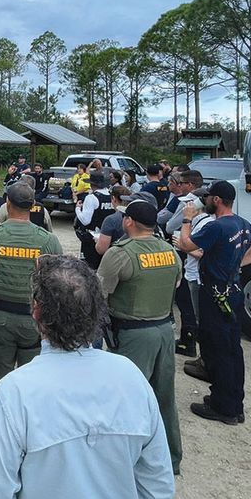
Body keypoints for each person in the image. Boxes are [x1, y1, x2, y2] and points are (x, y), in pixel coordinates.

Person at [0, 254, 174, 499]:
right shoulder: (131, 377)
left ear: (36, 312)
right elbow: (159, 484)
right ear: (97, 311)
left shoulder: (15, 392)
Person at [98, 200, 184, 474]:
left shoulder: (121, 253)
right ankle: (170, 459)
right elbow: (177, 281)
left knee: (126, 399)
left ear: (128, 222)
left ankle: (120, 464)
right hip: (164, 331)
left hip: (133, 334)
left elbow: (100, 293)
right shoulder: (170, 251)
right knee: (163, 397)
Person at [174, 180, 251, 424]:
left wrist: (186, 219)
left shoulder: (217, 227)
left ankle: (225, 408)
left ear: (216, 200)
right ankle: (232, 400)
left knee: (219, 350)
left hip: (215, 294)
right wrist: (237, 265)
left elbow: (186, 245)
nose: (204, 201)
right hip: (233, 291)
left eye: (208, 197)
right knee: (231, 347)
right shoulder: (241, 223)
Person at [0, 183, 63, 396]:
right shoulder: (49, 241)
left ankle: (2, 412)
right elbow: (57, 283)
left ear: (7, 204)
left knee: (0, 371)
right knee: (32, 372)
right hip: (34, 319)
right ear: (33, 205)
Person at [162, 170, 206, 357]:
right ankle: (189, 339)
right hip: (192, 267)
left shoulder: (199, 218)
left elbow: (170, 226)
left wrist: (185, 246)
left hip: (192, 267)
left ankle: (189, 342)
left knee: (188, 305)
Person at [74, 170, 114, 269]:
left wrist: (78, 209)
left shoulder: (91, 198)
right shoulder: (112, 197)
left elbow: (85, 220)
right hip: (108, 237)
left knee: (88, 268)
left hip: (91, 238)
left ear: (92, 184)